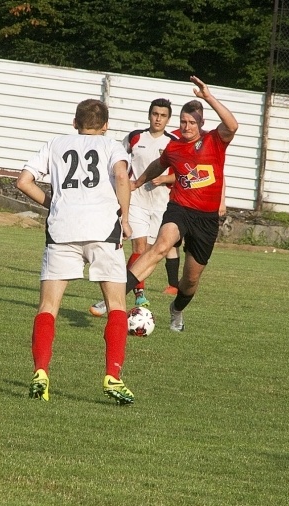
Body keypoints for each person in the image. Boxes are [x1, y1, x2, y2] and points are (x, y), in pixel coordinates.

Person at [16, 98, 135, 404]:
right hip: (103, 230)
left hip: (62, 230)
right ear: (106, 125)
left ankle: (41, 371)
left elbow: (24, 181)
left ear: (74, 122)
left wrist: (51, 203)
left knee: (48, 306)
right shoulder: (111, 146)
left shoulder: (56, 143)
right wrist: (124, 215)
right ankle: (113, 375)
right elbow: (122, 176)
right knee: (117, 303)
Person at [124, 76, 237, 332]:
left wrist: (207, 96)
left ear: (201, 123)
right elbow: (158, 165)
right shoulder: (174, 147)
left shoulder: (214, 140)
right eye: (183, 121)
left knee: (190, 281)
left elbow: (232, 124)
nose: (186, 126)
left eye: (191, 122)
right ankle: (117, 298)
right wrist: (139, 181)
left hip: (206, 219)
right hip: (180, 209)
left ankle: (176, 310)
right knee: (160, 246)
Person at [89, 98, 179, 317]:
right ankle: (139, 293)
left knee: (150, 252)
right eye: (155, 114)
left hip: (160, 204)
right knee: (138, 248)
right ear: (149, 115)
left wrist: (165, 179)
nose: (158, 119)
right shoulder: (135, 137)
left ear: (168, 119)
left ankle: (133, 287)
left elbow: (182, 174)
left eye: (163, 115)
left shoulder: (174, 142)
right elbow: (116, 161)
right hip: (136, 199)